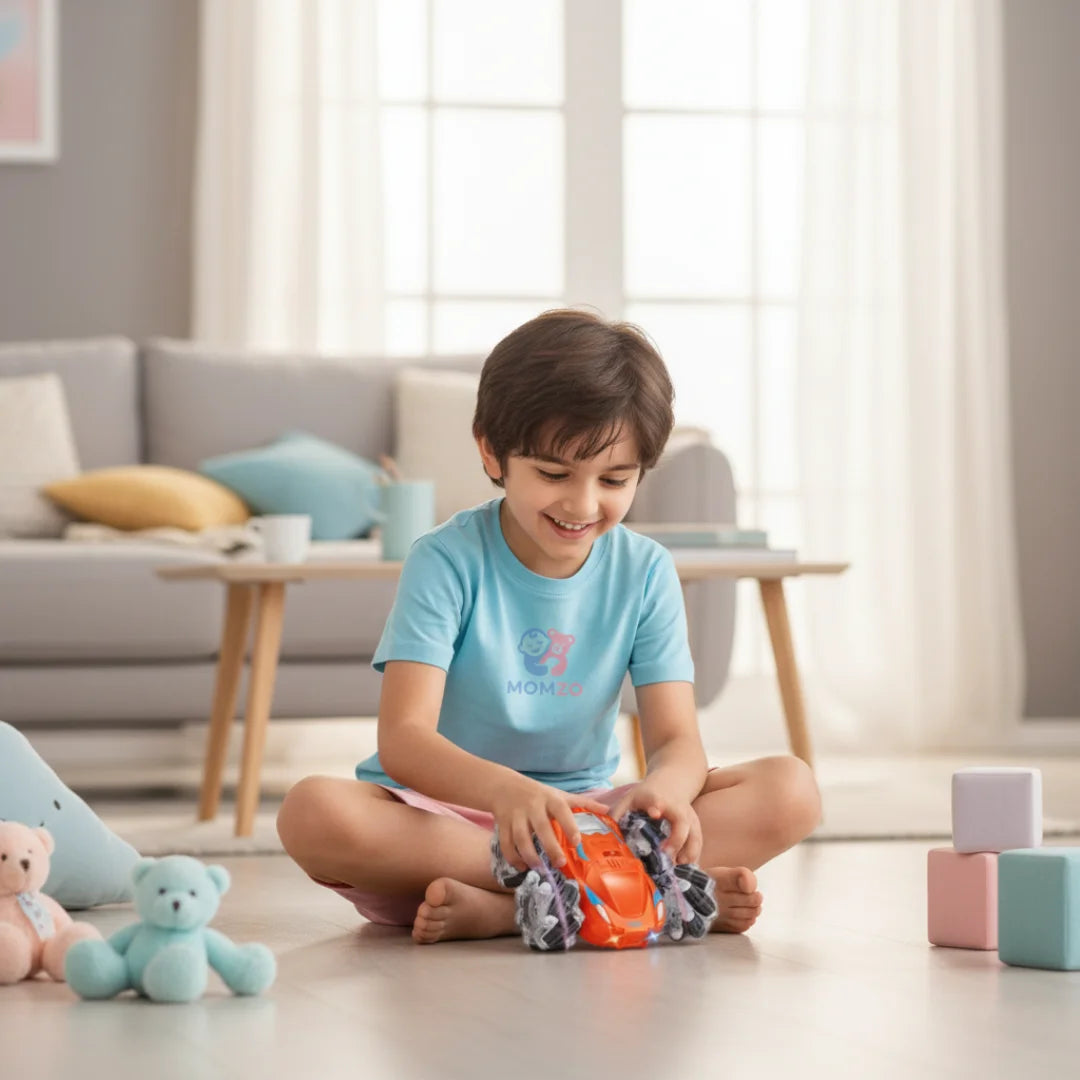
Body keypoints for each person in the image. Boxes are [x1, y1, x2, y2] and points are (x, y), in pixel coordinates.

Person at [277, 308, 821, 944]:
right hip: (452, 828)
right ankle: (639, 899)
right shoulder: (445, 558)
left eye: (615, 479)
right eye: (555, 475)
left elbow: (677, 739)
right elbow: (403, 739)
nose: (583, 504)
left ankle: (519, 911)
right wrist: (508, 795)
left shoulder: (646, 570)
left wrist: (666, 792)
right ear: (491, 451)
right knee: (313, 813)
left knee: (793, 789)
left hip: (593, 822)